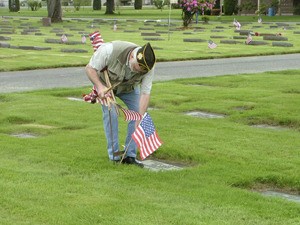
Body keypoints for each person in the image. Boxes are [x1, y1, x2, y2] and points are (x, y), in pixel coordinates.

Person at [85, 41, 156, 167]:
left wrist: (141, 115)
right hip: (106, 87)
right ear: (131, 57)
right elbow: (90, 69)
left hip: (129, 89)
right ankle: (114, 156)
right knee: (111, 113)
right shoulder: (109, 50)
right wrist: (100, 87)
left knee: (138, 116)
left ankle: (130, 156)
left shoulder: (149, 67)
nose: (139, 72)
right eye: (137, 69)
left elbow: (145, 93)